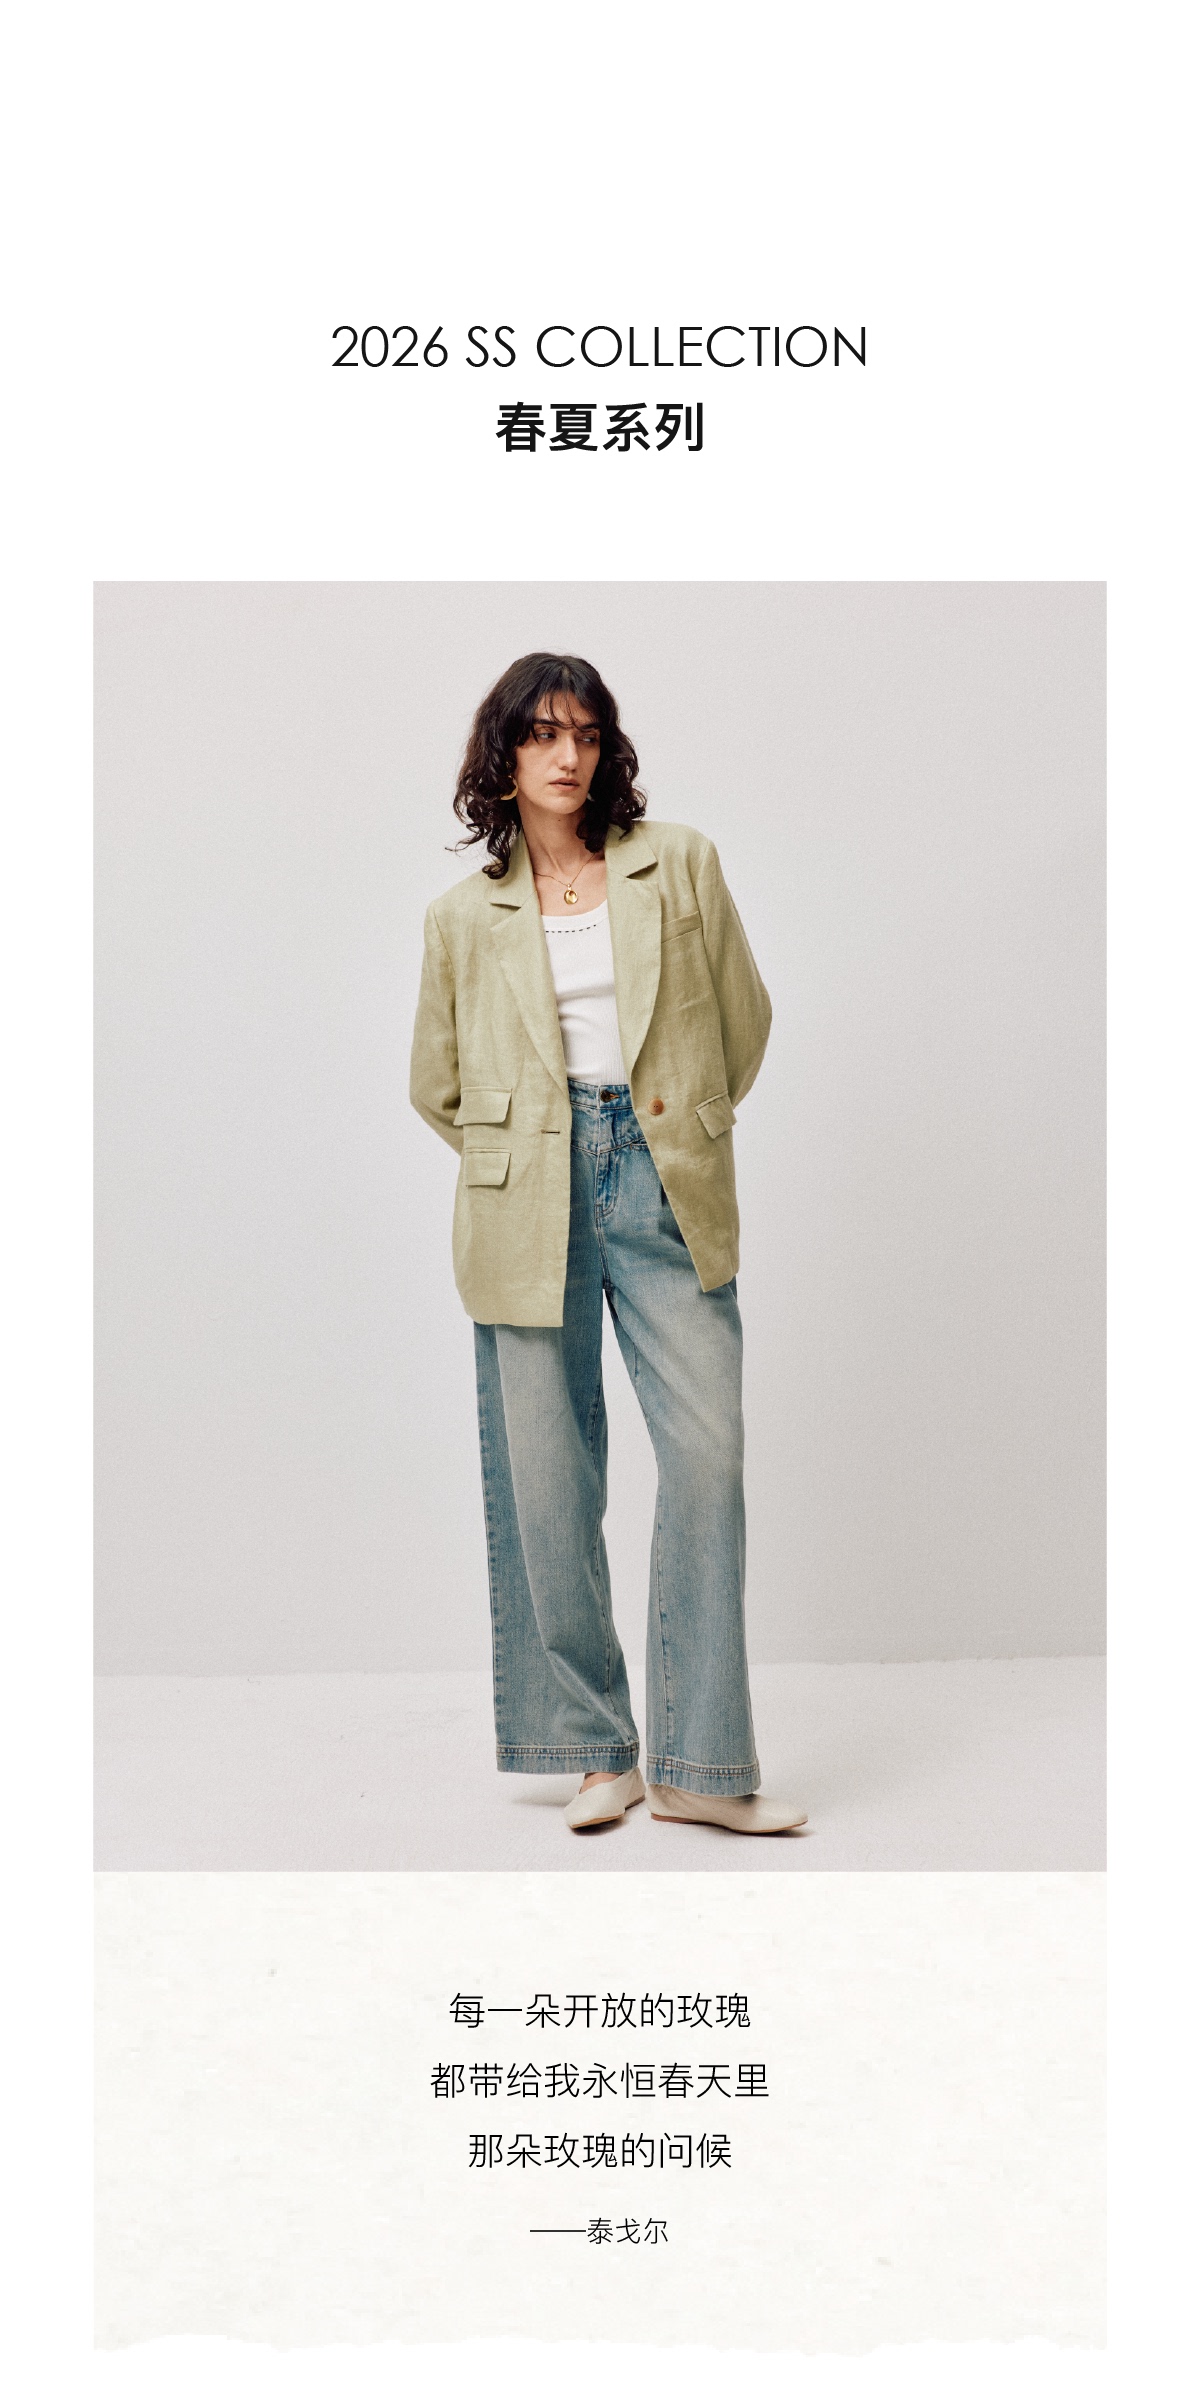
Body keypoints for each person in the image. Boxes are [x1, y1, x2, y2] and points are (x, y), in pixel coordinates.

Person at [410, 651, 806, 1836]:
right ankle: (594, 1750)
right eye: (542, 734)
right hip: (524, 1193)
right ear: (504, 756)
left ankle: (701, 1767)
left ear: (607, 747)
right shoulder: (461, 918)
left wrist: (673, 1121)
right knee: (548, 1480)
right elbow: (436, 1083)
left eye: (584, 733)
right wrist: (532, 1145)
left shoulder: (676, 863)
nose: (567, 755)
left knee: (708, 1459)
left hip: (662, 1172)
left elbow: (742, 1022)